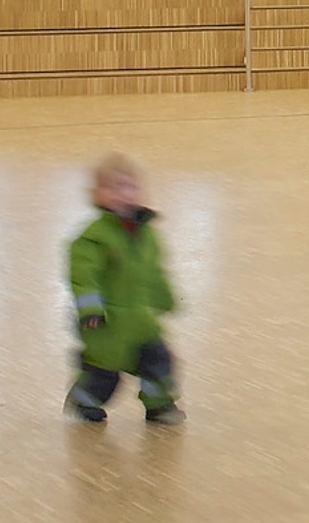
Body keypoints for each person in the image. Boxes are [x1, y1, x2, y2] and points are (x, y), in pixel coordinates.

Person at [64, 154, 182, 424]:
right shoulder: (93, 238)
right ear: (96, 195)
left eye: (130, 187)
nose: (123, 194)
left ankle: (159, 404)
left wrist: (164, 297)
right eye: (112, 187)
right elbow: (83, 277)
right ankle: (85, 398)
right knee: (104, 372)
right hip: (107, 323)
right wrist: (90, 308)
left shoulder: (148, 234)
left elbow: (153, 270)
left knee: (159, 362)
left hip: (142, 319)